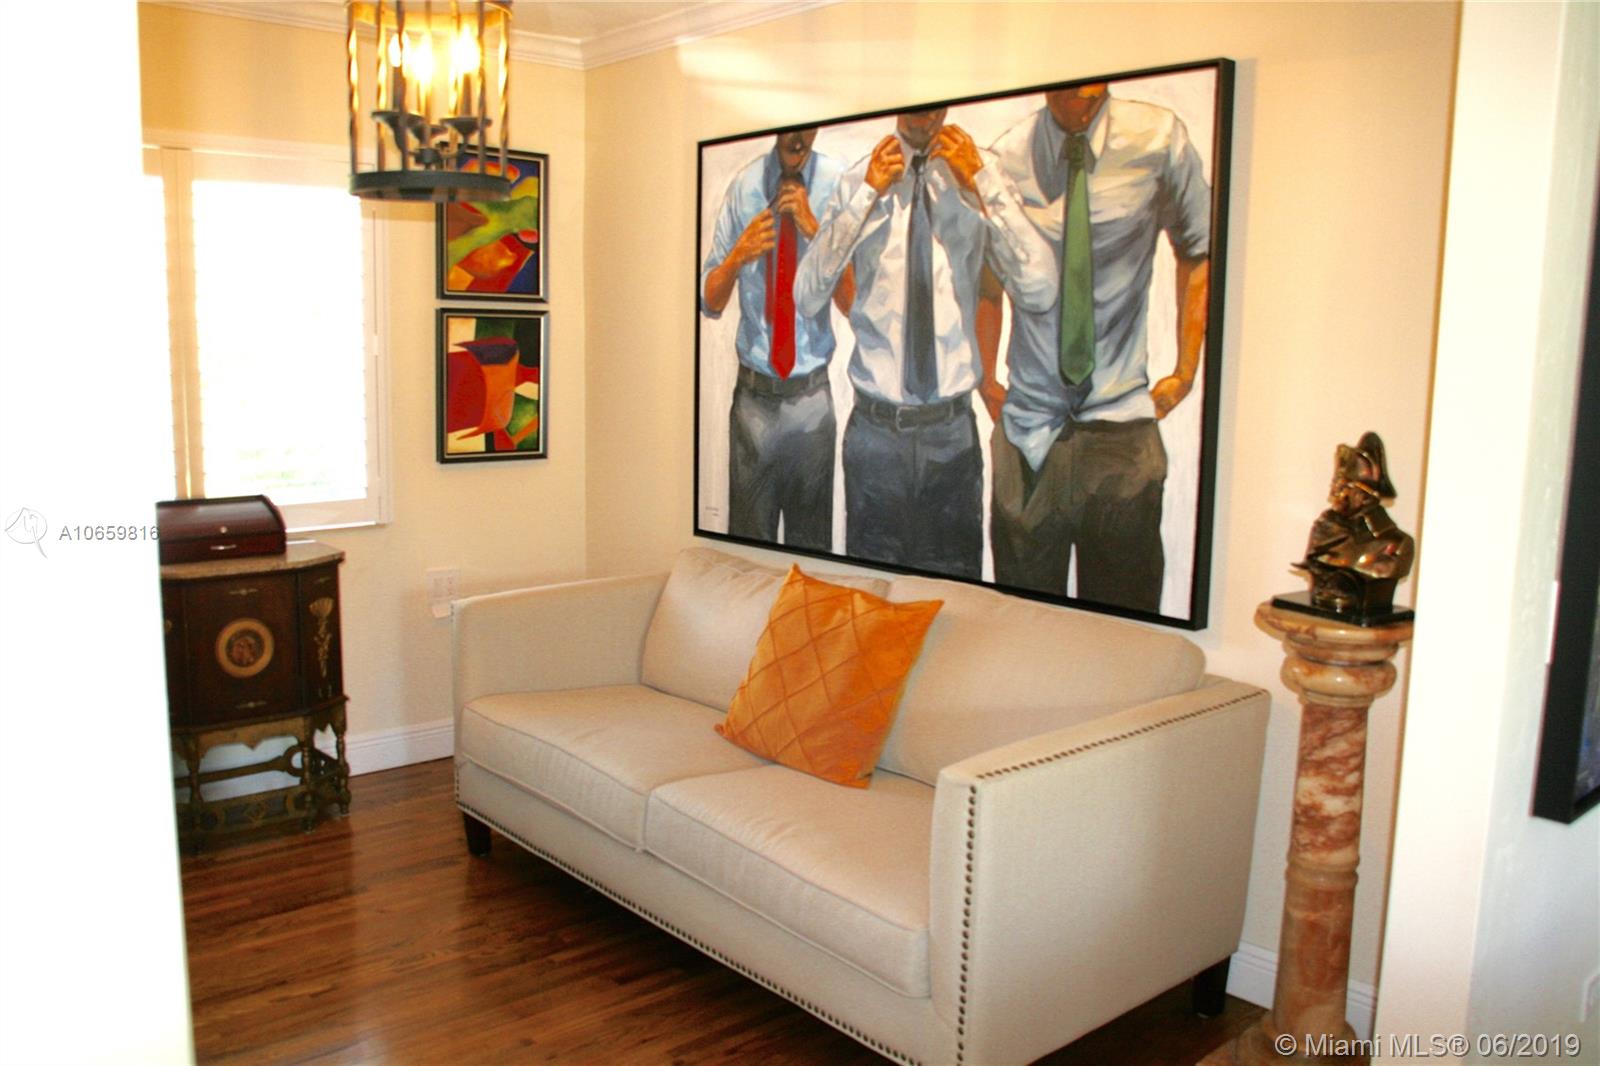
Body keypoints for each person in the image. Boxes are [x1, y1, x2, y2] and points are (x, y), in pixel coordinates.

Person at [978, 83, 1213, 613]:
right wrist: (987, 381)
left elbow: (1199, 250)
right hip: (1029, 436)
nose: (1078, 97)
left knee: (1124, 629)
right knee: (1019, 628)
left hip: (1121, 432)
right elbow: (986, 283)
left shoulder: (1157, 139)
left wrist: (1185, 372)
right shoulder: (1006, 158)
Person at [795, 108, 1056, 578]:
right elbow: (807, 295)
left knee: (954, 598)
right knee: (870, 594)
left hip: (950, 437)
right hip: (875, 437)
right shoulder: (860, 179)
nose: (926, 115)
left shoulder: (979, 173)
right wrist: (867, 195)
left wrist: (981, 183)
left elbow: (1040, 288)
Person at [700, 128, 854, 551]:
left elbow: (854, 303)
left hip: (812, 404)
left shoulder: (840, 185)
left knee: (814, 555)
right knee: (747, 554)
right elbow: (710, 300)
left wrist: (816, 232)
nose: (798, 139)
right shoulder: (745, 186)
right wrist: (738, 255)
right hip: (753, 406)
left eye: (807, 130)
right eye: (790, 131)